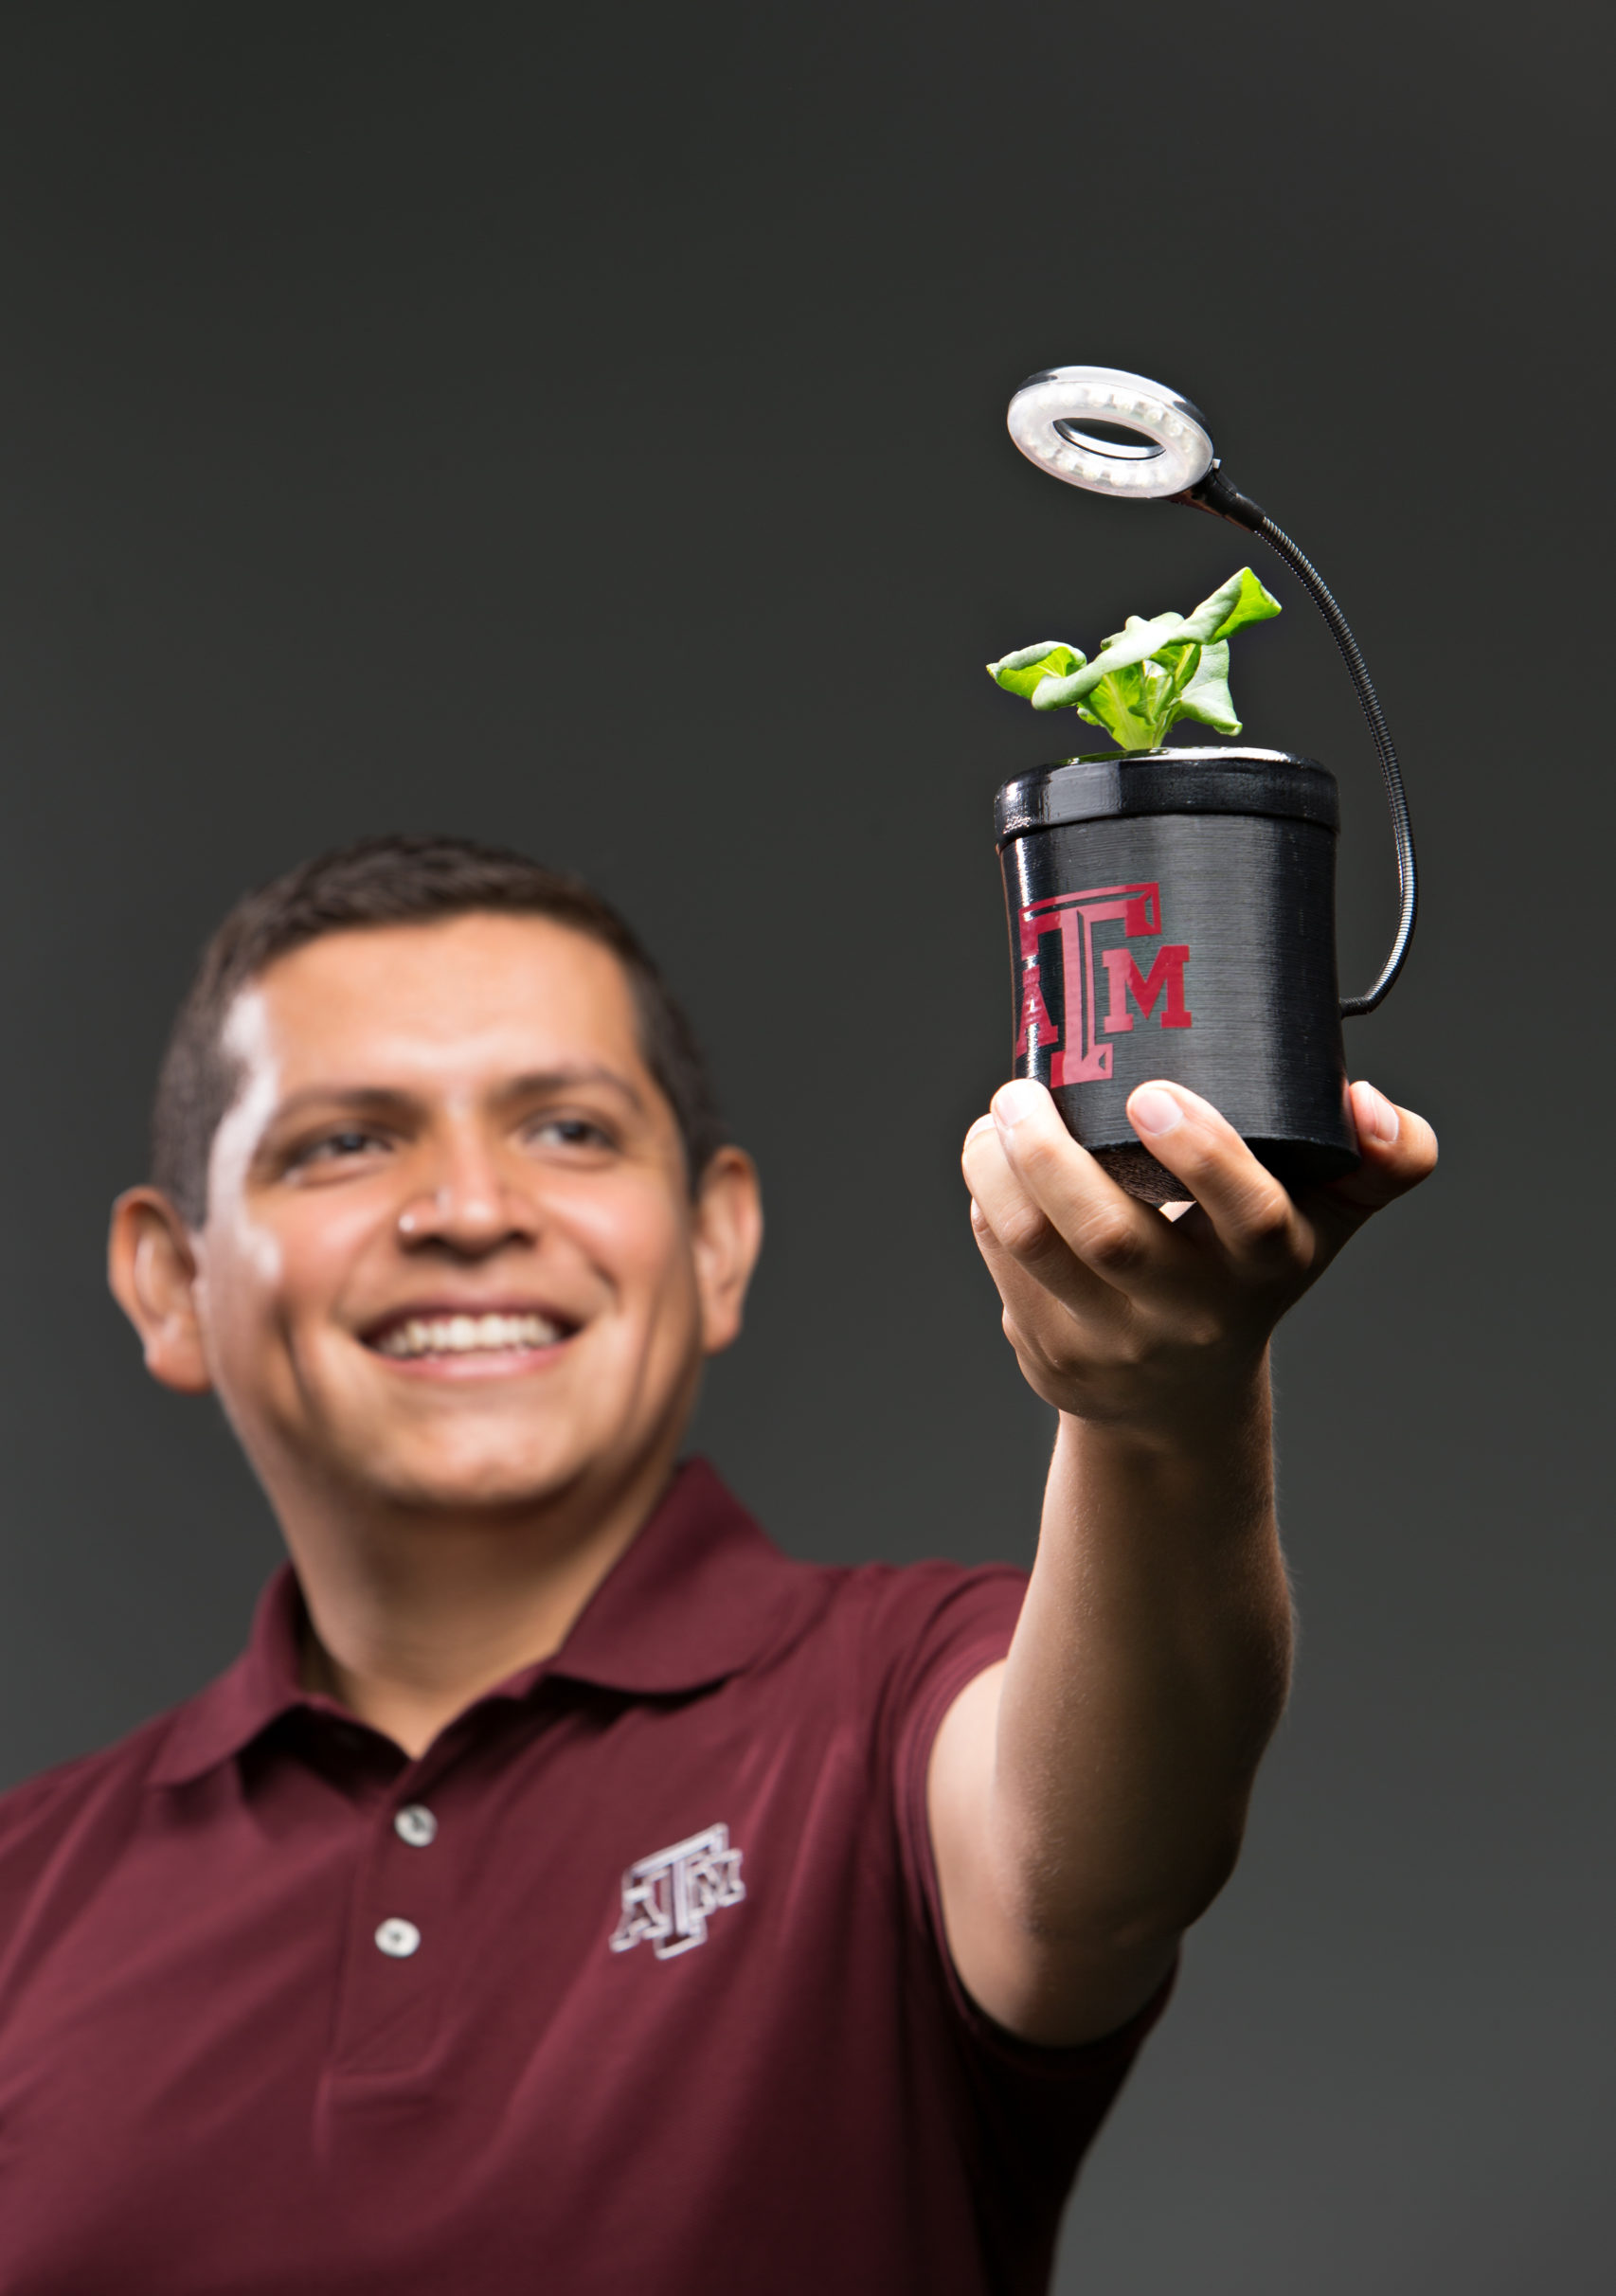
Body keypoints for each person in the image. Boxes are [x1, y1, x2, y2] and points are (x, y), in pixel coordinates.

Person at [0, 834, 1435, 2295]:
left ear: (717, 1244)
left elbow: (1095, 1858)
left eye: (565, 1130)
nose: (470, 1210)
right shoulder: (19, 1897)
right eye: (345, 1143)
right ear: (170, 1286)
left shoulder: (894, 1712)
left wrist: (1157, 1417)